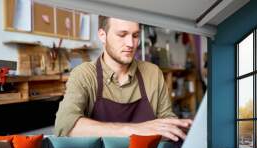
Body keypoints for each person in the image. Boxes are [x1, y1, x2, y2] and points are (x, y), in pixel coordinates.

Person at [54, 16, 192, 141]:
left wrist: (177, 126)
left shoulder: (153, 73)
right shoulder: (84, 74)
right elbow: (65, 126)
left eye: (135, 35)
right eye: (122, 35)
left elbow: (167, 121)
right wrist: (133, 130)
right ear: (103, 35)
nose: (131, 44)